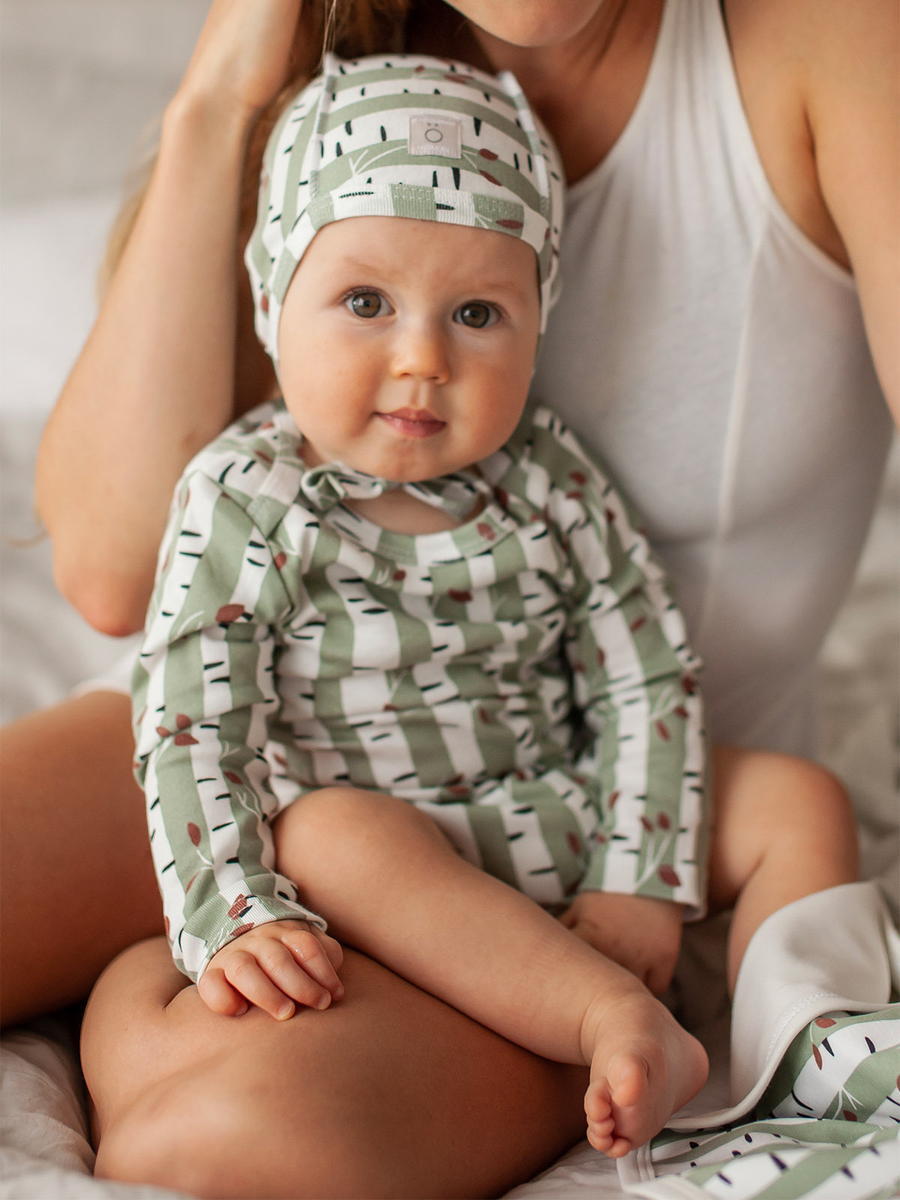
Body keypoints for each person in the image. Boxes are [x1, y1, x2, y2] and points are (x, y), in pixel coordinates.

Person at [0, 0, 892, 1190]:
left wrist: (635, 882)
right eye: (368, 305)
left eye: (477, 315)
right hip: (246, 755)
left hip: (581, 813)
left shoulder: (832, 39)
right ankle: (151, 986)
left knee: (219, 1131)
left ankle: (161, 1004)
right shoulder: (321, 68)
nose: (422, 361)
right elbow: (119, 580)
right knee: (279, 883)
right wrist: (219, 99)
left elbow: (642, 663)